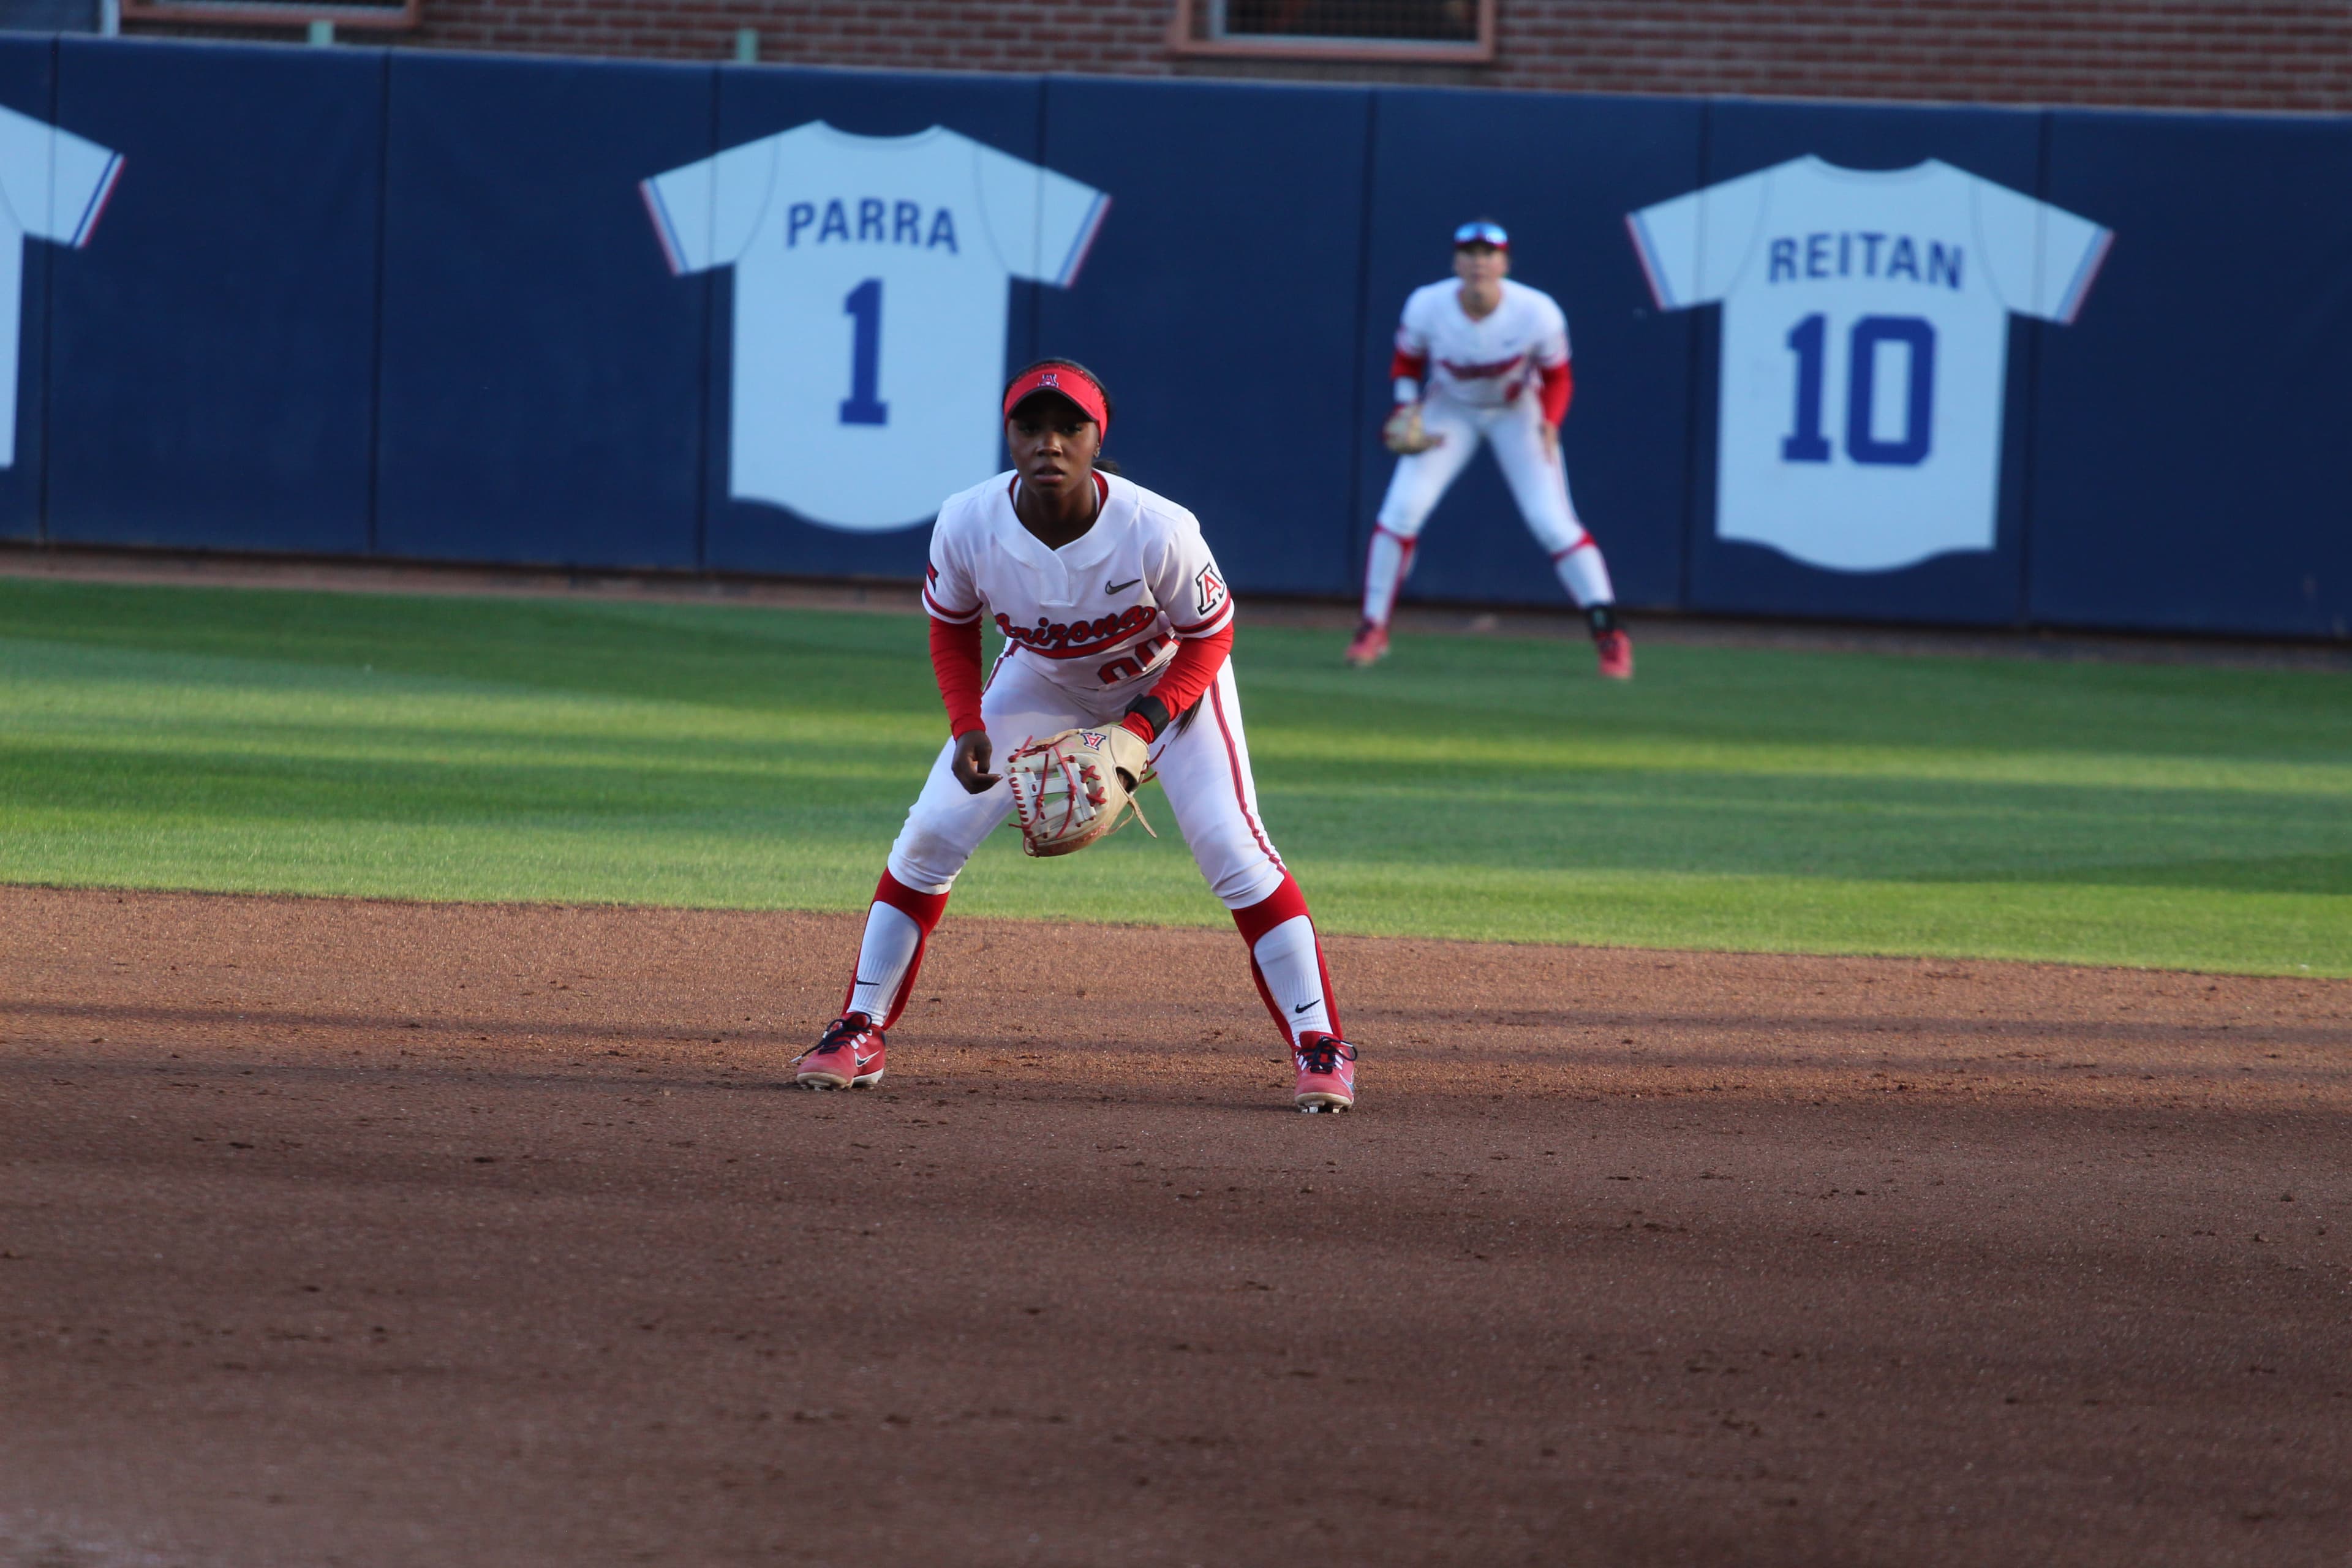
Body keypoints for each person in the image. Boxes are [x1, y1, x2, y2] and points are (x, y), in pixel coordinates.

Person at [797, 360, 1360, 1113]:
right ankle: (859, 1029)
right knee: (931, 833)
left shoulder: (1157, 527)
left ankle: (1321, 1042)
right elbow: (952, 627)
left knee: (1233, 848)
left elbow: (1211, 635)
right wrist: (966, 724)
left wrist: (1140, 730)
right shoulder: (968, 520)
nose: (1049, 443)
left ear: (1099, 438)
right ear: (1010, 436)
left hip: (1168, 685)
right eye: (1031, 427)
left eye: (1070, 428)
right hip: (1043, 680)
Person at [1348, 219, 1633, 679]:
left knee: (1554, 523)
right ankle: (1372, 629)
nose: (1479, 261)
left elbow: (1558, 375)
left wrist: (1550, 422)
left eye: (1489, 252)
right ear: (1456, 260)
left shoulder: (1536, 312)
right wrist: (1407, 408)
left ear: (1505, 262)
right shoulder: (1427, 304)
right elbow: (1407, 362)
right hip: (1450, 410)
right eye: (1470, 252)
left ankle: (1610, 635)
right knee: (1399, 513)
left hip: (1518, 411)